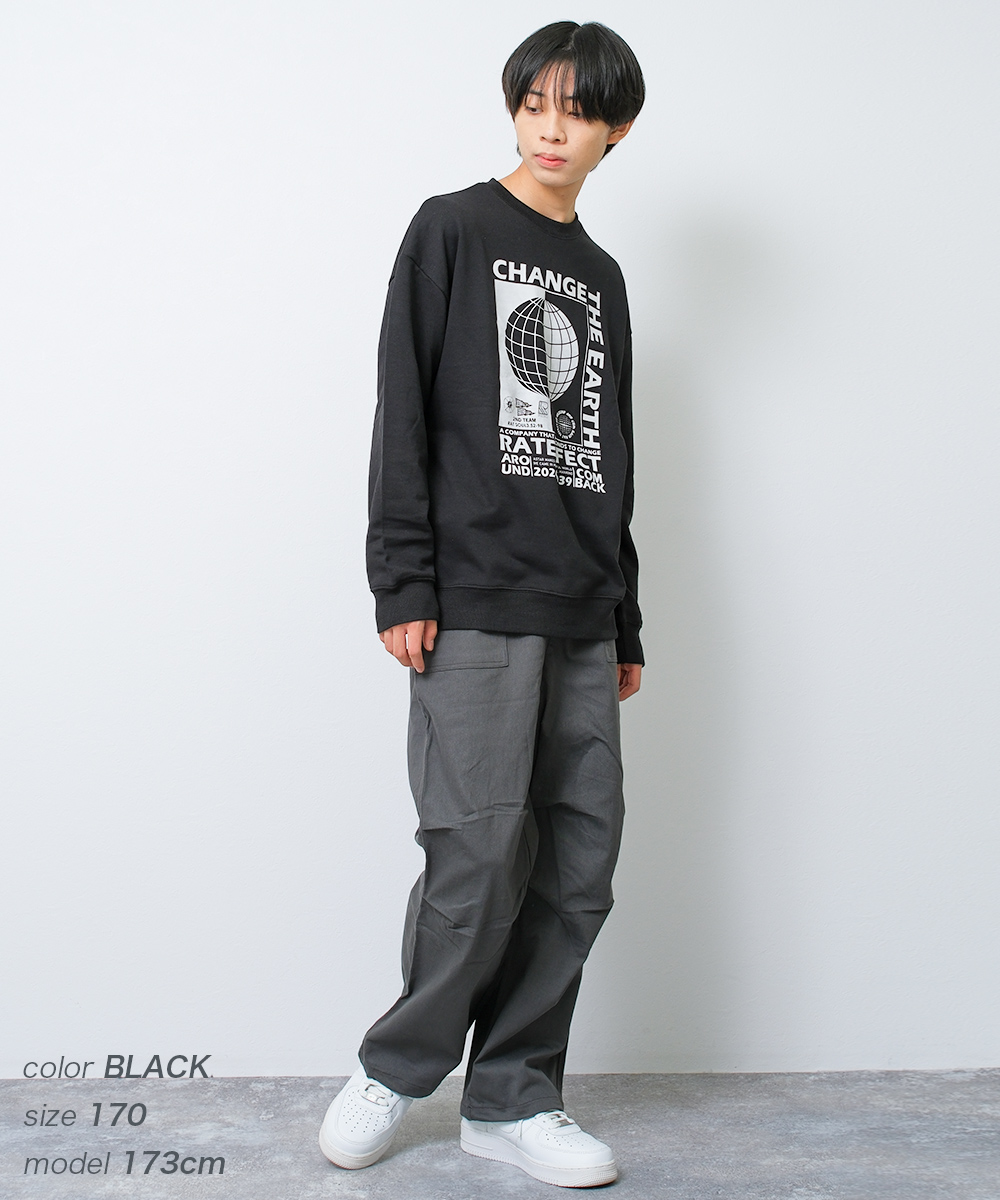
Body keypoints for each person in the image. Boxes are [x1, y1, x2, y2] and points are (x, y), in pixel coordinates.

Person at [319, 20, 645, 1189]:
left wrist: (624, 617)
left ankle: (513, 1097)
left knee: (578, 864)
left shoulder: (601, 278)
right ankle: (398, 1068)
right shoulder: (450, 229)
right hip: (471, 600)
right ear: (513, 108)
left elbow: (608, 454)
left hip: (580, 607)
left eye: (578, 112)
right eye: (534, 104)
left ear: (615, 131)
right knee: (477, 853)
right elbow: (401, 405)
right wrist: (402, 577)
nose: (551, 129)